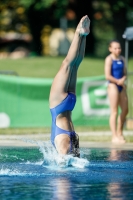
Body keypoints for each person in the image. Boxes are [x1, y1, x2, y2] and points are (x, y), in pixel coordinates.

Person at [49, 15, 90, 157]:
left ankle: (80, 33)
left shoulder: (63, 145)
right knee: (74, 65)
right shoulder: (67, 144)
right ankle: (83, 35)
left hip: (60, 104)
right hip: (63, 107)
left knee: (68, 64)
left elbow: (62, 165)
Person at [104, 40, 128, 144]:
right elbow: (107, 76)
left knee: (125, 110)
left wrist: (123, 79)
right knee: (114, 111)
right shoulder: (109, 59)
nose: (117, 50)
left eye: (119, 48)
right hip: (113, 85)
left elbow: (125, 73)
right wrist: (118, 81)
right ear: (110, 49)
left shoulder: (122, 59)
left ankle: (120, 132)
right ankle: (114, 136)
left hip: (121, 86)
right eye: (115, 48)